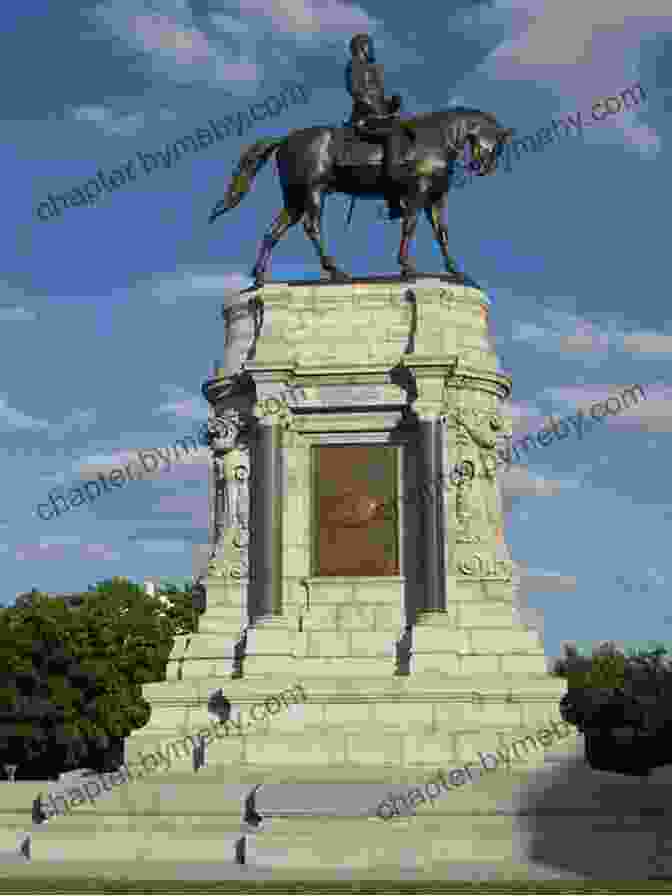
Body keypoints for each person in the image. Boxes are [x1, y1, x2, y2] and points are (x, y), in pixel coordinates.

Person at [345, 34, 411, 192]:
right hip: (365, 118)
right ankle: (393, 177)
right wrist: (374, 110)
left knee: (406, 129)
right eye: (369, 45)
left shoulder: (375, 69)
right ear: (361, 47)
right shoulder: (354, 65)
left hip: (379, 117)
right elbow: (356, 91)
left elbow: (379, 99)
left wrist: (392, 103)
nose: (372, 49)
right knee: (392, 133)